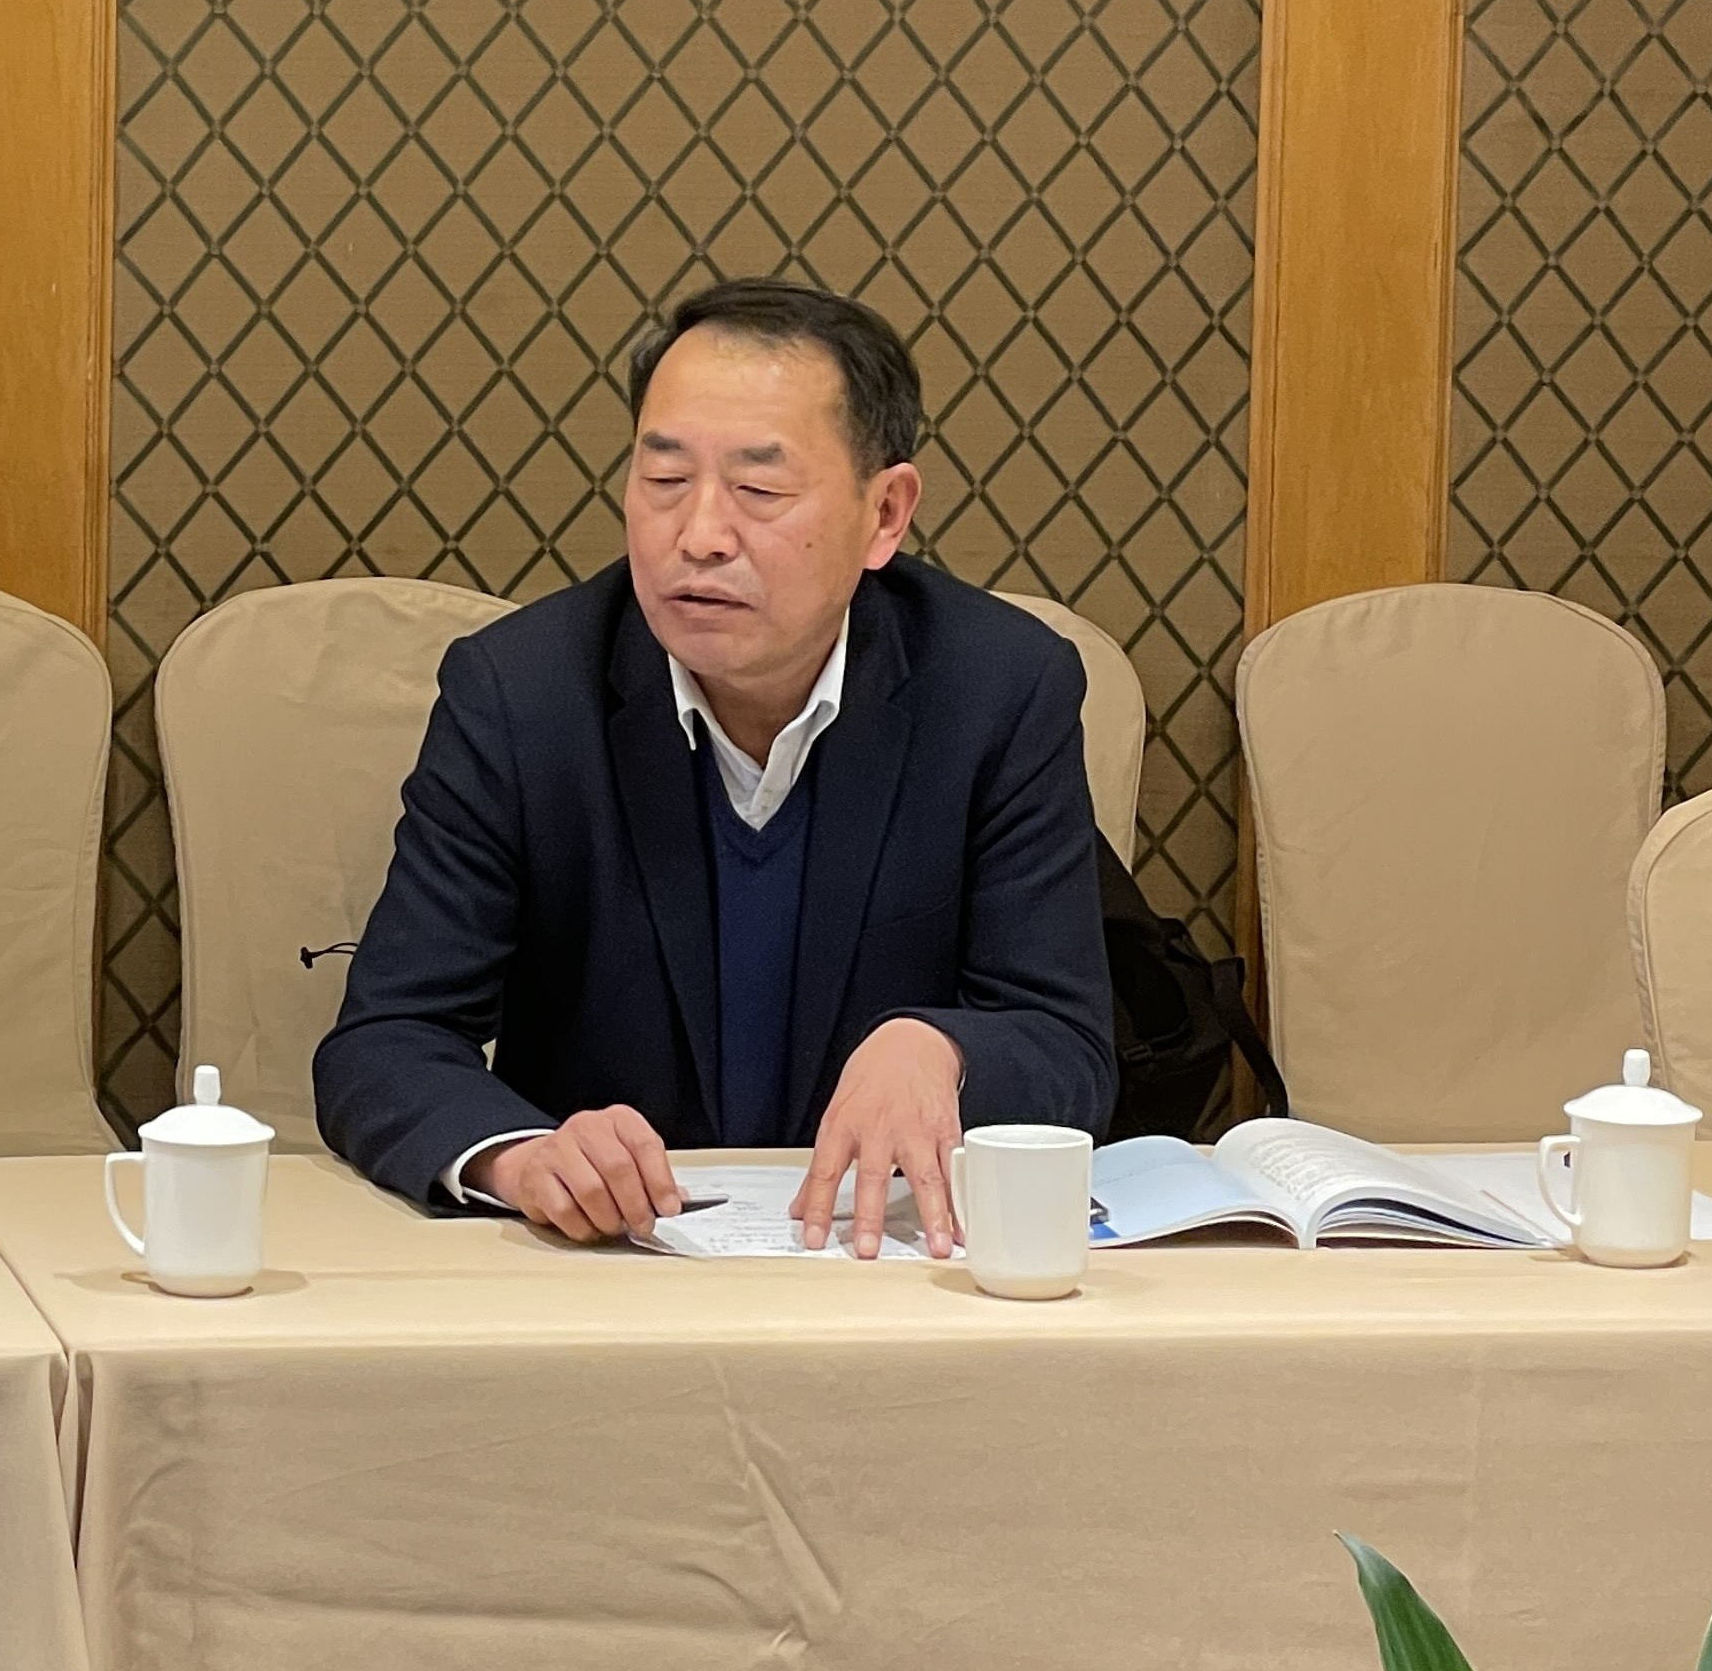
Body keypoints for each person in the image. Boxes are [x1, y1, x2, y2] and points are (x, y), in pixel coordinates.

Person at [313, 278, 1113, 1257]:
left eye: (759, 491)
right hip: (607, 1270)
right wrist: (520, 1156)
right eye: (664, 479)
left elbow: (1068, 1044)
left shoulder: (997, 688)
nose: (698, 536)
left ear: (885, 513)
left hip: (890, 1267)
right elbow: (388, 1038)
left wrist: (943, 1049)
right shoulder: (522, 695)